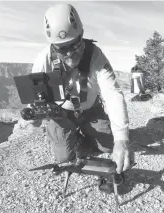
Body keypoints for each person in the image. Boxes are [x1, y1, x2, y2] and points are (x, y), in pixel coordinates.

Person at [30, 3, 131, 188]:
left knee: (109, 145)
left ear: (81, 36)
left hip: (90, 110)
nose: (69, 54)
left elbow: (112, 94)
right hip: (62, 114)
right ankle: (69, 136)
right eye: (61, 48)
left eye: (74, 45)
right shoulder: (43, 59)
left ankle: (83, 136)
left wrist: (122, 140)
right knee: (64, 158)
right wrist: (35, 115)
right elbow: (35, 97)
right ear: (53, 45)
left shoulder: (95, 55)